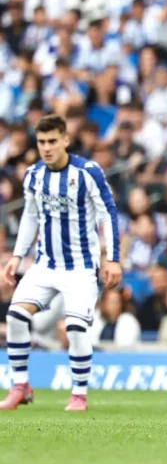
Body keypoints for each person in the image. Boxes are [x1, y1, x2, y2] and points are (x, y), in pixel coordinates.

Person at [0, 114, 122, 412]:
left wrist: (113, 258)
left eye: (52, 141)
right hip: (44, 265)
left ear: (66, 140)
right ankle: (20, 386)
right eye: (41, 142)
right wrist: (16, 256)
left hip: (80, 268)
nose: (46, 147)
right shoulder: (33, 175)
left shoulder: (87, 172)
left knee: (76, 328)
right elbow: (30, 216)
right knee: (16, 316)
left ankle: (79, 394)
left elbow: (108, 213)